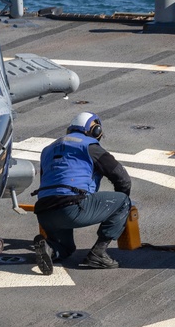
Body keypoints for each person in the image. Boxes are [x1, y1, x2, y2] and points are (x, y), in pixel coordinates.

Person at [31, 112, 132, 274]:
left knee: (66, 248)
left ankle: (50, 249)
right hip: (72, 207)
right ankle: (98, 253)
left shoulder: (47, 150)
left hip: (44, 211)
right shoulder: (90, 147)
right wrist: (122, 206)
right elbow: (122, 178)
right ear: (96, 131)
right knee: (123, 201)